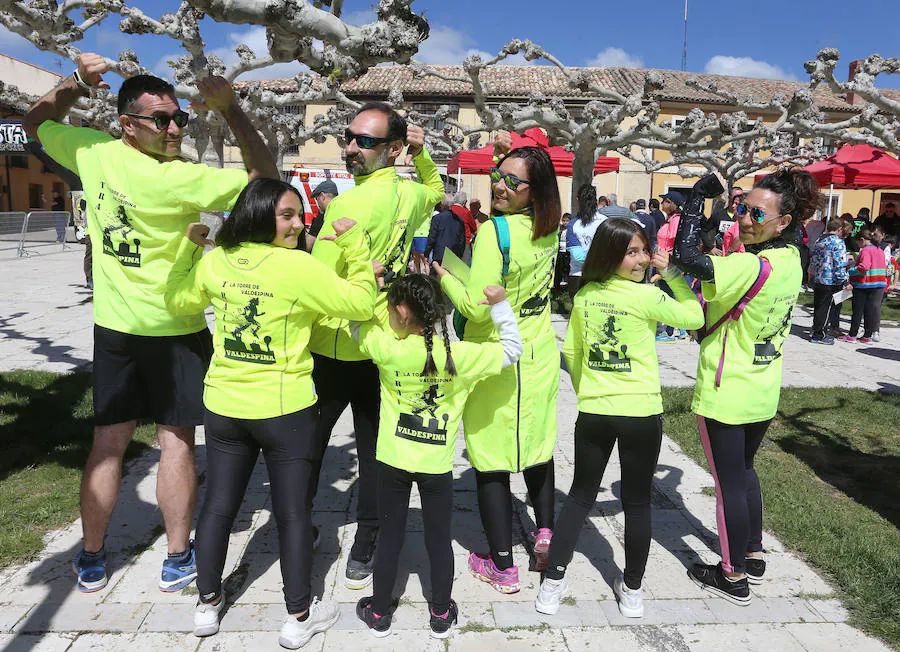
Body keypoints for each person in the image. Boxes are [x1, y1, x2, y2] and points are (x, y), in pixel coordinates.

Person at [23, 52, 277, 594]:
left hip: (126, 328)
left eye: (179, 119)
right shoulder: (180, 180)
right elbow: (265, 178)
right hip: (172, 330)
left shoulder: (92, 152)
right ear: (128, 124)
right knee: (155, 443)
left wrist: (73, 84)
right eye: (160, 121)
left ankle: (149, 555)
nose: (174, 129)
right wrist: (232, 112)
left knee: (137, 443)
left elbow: (36, 124)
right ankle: (125, 553)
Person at [164, 179, 374, 645]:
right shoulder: (299, 268)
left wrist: (189, 250)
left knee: (218, 506)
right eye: (287, 215)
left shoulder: (216, 261)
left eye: (299, 214)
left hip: (224, 406)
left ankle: (207, 604)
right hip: (286, 412)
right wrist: (356, 247)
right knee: (294, 512)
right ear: (259, 215)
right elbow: (361, 302)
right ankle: (299, 615)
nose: (299, 223)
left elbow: (177, 300)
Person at [534, 218, 703, 618]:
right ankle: (630, 589)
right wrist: (675, 274)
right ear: (610, 256)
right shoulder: (648, 297)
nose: (643, 259)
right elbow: (695, 317)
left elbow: (572, 355)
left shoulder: (587, 295)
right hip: (640, 413)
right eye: (632, 252)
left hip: (595, 411)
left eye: (645, 250)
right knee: (636, 501)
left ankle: (554, 585)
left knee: (580, 496)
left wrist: (589, 389)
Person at [309, 102, 444, 590]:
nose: (350, 148)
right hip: (385, 342)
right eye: (349, 137)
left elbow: (317, 280)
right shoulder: (410, 194)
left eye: (364, 142)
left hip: (334, 343)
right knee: (376, 453)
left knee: (307, 451)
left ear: (391, 150)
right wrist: (423, 155)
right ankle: (366, 544)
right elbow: (436, 189)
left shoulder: (344, 206)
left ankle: (300, 533)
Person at [673, 169, 823, 606]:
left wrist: (694, 200)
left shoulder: (747, 264)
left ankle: (732, 574)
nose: (744, 218)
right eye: (742, 208)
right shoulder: (792, 258)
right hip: (762, 387)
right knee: (745, 472)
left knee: (728, 485)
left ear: (784, 220)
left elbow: (684, 256)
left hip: (726, 391)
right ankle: (753, 553)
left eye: (757, 212)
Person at [352, 275, 522, 639]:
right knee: (438, 539)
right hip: (437, 466)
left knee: (391, 537)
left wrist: (370, 282)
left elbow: (355, 322)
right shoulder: (460, 355)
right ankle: (441, 613)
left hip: (393, 460)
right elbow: (512, 349)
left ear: (399, 311)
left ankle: (380, 612)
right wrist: (500, 306)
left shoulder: (388, 349)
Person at [438, 133, 561, 594]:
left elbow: (474, 305)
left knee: (489, 459)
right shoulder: (550, 230)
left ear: (536, 190)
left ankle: (502, 564)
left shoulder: (495, 231)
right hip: (539, 348)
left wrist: (447, 278)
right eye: (498, 175)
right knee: (536, 444)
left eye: (512, 180)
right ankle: (545, 531)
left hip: (497, 351)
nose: (500, 185)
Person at [840, 227, 888, 344]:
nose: (857, 245)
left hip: (864, 284)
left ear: (862, 240)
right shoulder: (879, 250)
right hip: (879, 284)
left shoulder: (866, 250)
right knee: (869, 310)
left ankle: (852, 335)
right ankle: (867, 335)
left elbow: (864, 267)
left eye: (857, 242)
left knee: (858, 311)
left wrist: (850, 270)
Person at [809, 217, 849, 344]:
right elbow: (839, 263)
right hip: (832, 280)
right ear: (839, 229)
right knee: (827, 308)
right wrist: (844, 279)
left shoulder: (820, 241)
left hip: (819, 278)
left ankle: (816, 331)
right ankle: (820, 334)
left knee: (819, 306)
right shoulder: (838, 243)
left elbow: (814, 260)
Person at [654, 191, 688, 341]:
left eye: (665, 201)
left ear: (672, 203)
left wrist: (666, 262)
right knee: (669, 295)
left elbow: (675, 244)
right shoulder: (670, 219)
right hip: (663, 261)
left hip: (668, 263)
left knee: (668, 297)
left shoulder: (675, 221)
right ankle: (679, 329)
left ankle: (674, 330)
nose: (662, 204)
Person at [566, 184, 606, 298]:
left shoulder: (573, 224)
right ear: (596, 200)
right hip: (601, 275)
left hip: (578, 276)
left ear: (578, 200)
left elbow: (578, 256)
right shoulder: (606, 222)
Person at [426, 193, 466, 264]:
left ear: (443, 204)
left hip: (439, 253)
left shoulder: (437, 218)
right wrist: (459, 255)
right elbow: (461, 241)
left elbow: (432, 237)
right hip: (453, 255)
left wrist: (427, 252)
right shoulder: (459, 220)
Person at [450, 191, 478, 262]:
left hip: (450, 240)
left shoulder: (449, 210)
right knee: (463, 264)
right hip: (464, 241)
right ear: (465, 202)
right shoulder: (466, 212)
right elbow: (474, 228)